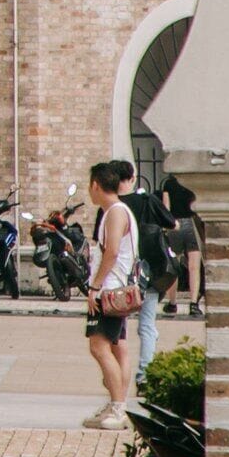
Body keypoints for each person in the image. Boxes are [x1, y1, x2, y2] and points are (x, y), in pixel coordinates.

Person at [79, 161, 140, 428]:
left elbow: (111, 252)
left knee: (99, 346)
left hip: (110, 289)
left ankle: (118, 408)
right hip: (116, 287)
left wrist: (95, 286)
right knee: (117, 347)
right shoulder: (117, 211)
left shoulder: (115, 212)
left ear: (96, 185)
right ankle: (116, 404)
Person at [106, 157, 170, 372]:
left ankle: (117, 372)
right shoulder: (148, 201)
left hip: (118, 275)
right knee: (147, 325)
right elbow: (173, 223)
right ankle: (145, 372)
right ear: (132, 178)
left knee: (117, 327)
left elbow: (103, 244)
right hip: (148, 272)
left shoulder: (110, 207)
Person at [162, 169, 204, 318]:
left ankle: (173, 303)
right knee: (194, 267)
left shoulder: (168, 183)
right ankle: (194, 303)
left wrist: (166, 226)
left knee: (174, 265)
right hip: (191, 223)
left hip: (174, 223)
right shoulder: (192, 182)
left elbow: (166, 207)